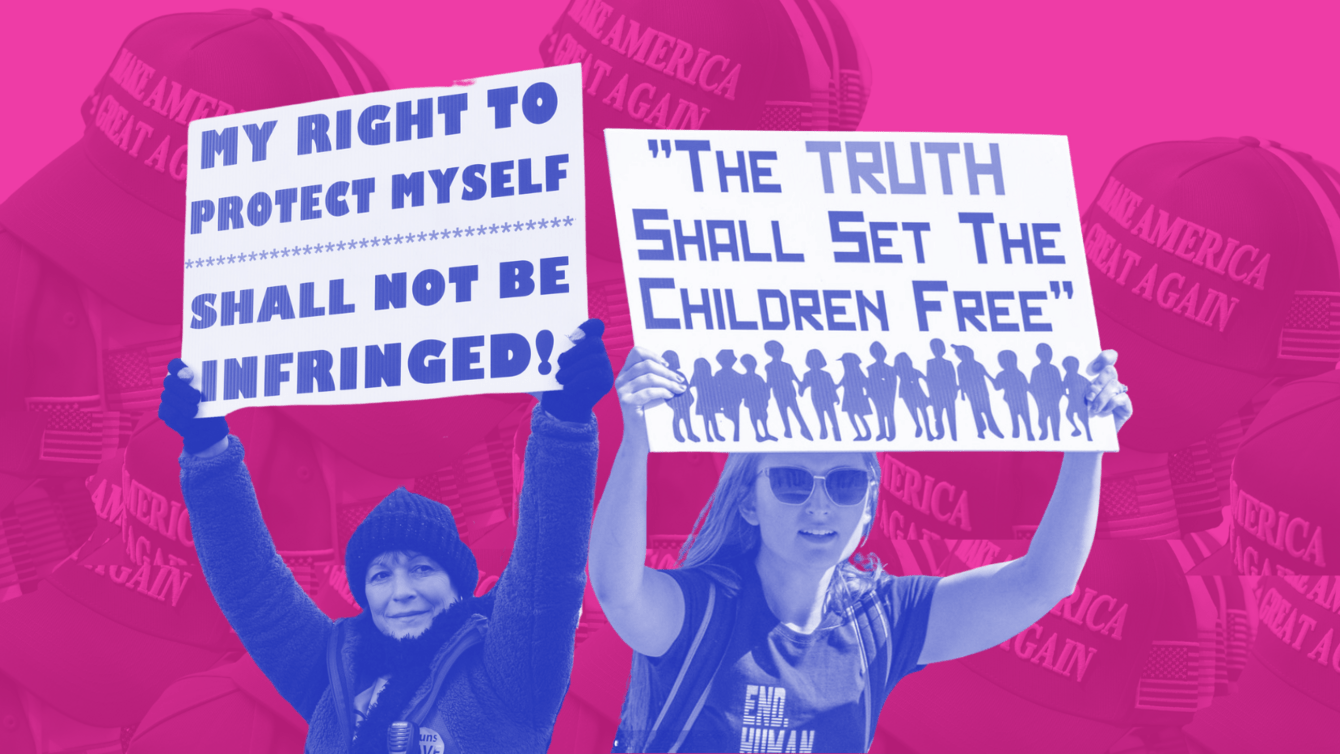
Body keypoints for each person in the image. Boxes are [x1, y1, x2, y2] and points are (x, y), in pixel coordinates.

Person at [591, 346, 1131, 753]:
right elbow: (619, 591)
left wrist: (1089, 447)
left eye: (844, 483)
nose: (819, 505)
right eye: (791, 482)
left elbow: (1044, 582)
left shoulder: (881, 619)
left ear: (869, 506)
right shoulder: (704, 610)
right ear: (748, 503)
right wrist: (637, 440)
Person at [156, 321, 613, 754]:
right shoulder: (334, 670)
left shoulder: (509, 673)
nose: (401, 592)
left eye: (421, 568)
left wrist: (564, 424)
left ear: (461, 586)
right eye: (380, 575)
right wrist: (207, 448)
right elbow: (251, 587)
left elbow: (546, 571)